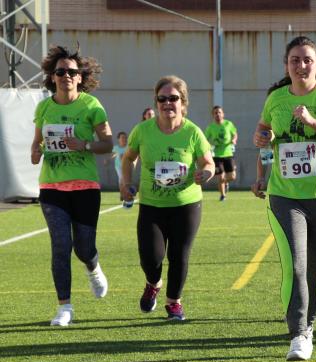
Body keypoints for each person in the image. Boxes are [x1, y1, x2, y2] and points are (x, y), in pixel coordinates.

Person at [253, 36, 316, 361]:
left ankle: (310, 321)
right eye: (295, 60)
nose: (301, 65)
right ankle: (299, 334)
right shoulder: (276, 99)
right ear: (287, 65)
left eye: (307, 59)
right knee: (295, 267)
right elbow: (265, 131)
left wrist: (313, 122)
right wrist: (261, 138)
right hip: (285, 196)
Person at [30, 45, 113, 326]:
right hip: (52, 188)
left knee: (83, 247)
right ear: (52, 77)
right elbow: (35, 147)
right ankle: (64, 307)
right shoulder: (43, 107)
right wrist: (37, 151)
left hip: (86, 187)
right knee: (60, 246)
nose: (66, 75)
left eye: (72, 72)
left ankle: (92, 266)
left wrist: (85, 144)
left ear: (80, 77)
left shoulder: (91, 105)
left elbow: (108, 143)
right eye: (61, 71)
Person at [120, 75, 215, 321]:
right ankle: (153, 283)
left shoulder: (193, 132)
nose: (167, 103)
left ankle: (174, 302)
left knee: (179, 256)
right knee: (150, 258)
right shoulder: (142, 131)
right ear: (156, 102)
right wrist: (126, 182)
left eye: (173, 98)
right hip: (152, 205)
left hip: (186, 204)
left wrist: (205, 173)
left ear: (183, 102)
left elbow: (208, 162)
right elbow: (128, 158)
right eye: (162, 99)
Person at [204, 106, 238, 201]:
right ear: (213, 115)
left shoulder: (228, 124)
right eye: (215, 113)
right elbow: (205, 140)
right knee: (221, 177)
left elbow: (234, 133)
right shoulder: (210, 127)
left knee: (232, 176)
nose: (217, 114)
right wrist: (210, 146)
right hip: (216, 155)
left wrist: (234, 140)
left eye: (219, 112)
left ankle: (225, 183)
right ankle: (223, 196)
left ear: (223, 114)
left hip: (228, 154)